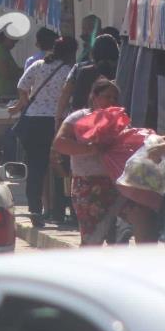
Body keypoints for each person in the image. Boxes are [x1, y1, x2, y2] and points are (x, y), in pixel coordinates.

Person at [13, 36, 78, 227]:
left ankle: (35, 210)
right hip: (58, 123)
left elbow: (21, 86)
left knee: (36, 168)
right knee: (60, 167)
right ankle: (58, 211)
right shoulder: (69, 71)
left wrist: (25, 102)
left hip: (33, 122)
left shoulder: (38, 65)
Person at [51, 77, 124, 245]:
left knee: (119, 239)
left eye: (115, 98)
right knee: (92, 239)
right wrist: (90, 149)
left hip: (115, 185)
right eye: (107, 96)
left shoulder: (120, 119)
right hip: (87, 185)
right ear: (94, 96)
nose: (111, 101)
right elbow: (60, 143)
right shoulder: (78, 117)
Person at [56, 33, 120, 118]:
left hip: (85, 118)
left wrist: (58, 117)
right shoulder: (122, 71)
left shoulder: (80, 69)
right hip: (113, 118)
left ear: (94, 51)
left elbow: (66, 94)